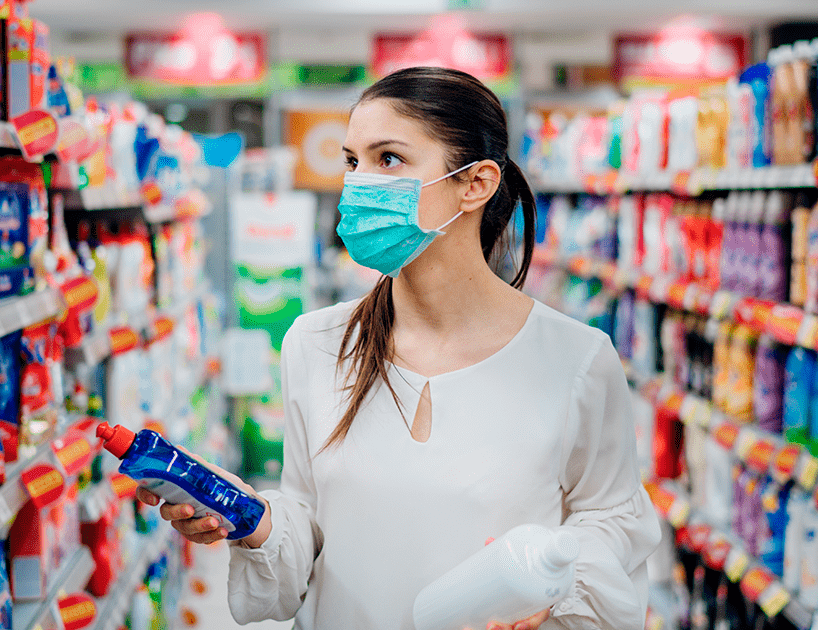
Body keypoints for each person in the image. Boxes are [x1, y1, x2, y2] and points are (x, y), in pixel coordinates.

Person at [137, 66, 661, 630]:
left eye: (388, 159)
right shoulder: (316, 346)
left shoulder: (577, 362)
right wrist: (254, 522)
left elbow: (610, 536)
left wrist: (555, 600)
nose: (358, 182)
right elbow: (311, 536)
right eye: (351, 160)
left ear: (476, 182)